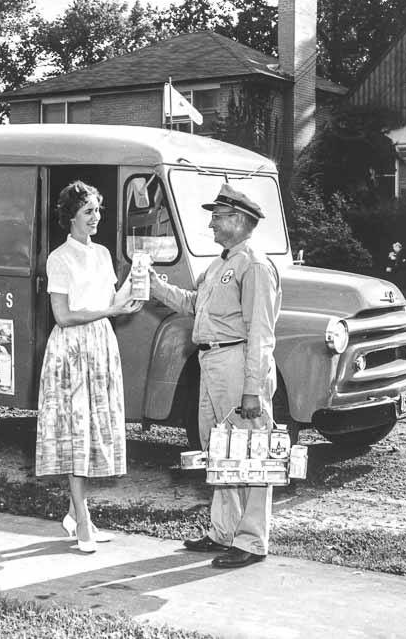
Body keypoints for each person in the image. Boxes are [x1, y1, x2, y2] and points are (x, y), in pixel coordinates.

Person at [149, 183, 281, 568]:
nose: (211, 223)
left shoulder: (254, 265)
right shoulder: (220, 264)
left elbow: (261, 331)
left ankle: (252, 540)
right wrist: (156, 287)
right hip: (212, 362)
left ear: (239, 221)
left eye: (218, 216)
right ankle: (224, 531)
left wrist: (253, 389)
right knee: (220, 449)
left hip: (239, 363)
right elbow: (194, 305)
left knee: (252, 453)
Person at [35, 180, 142, 553]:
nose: (96, 217)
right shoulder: (58, 258)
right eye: (89, 211)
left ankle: (74, 514)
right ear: (71, 217)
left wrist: (138, 285)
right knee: (75, 432)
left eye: (98, 210)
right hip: (71, 351)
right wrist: (110, 311)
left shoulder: (102, 255)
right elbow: (62, 316)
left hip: (100, 346)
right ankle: (82, 520)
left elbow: (112, 299)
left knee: (94, 430)